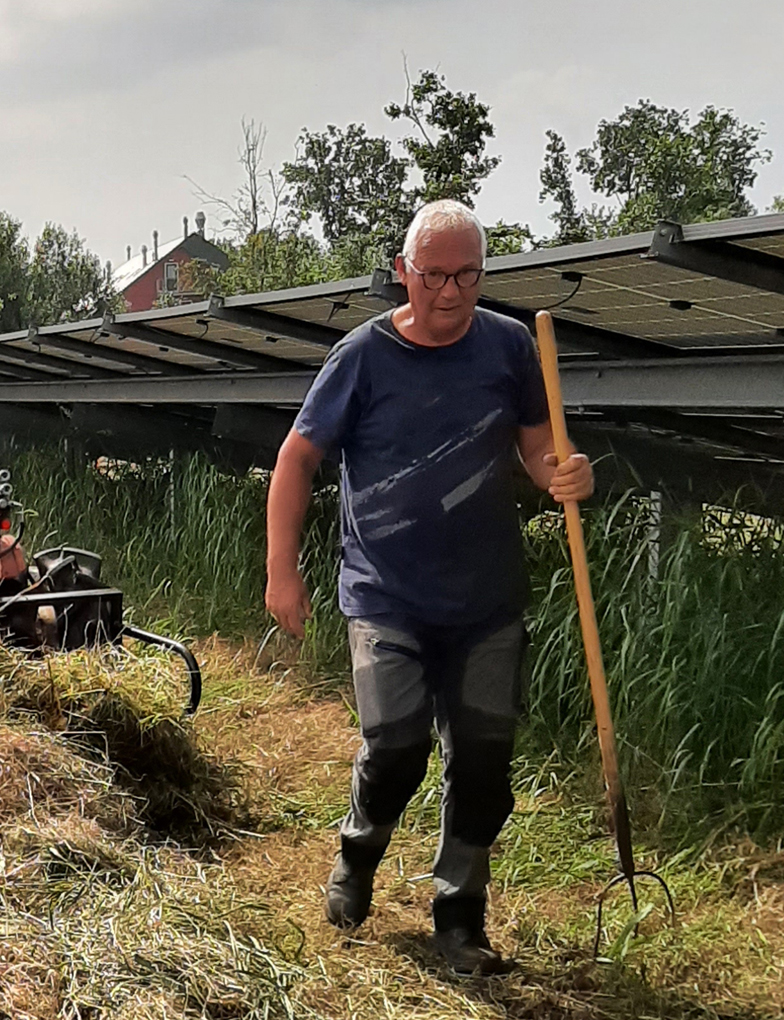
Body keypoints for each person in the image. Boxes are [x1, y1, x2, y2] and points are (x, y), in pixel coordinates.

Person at [264, 200, 594, 976]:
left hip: (486, 598)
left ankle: (460, 914)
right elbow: (295, 461)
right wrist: (284, 570)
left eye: (468, 274)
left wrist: (566, 473)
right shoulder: (362, 358)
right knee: (398, 744)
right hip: (386, 592)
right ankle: (358, 852)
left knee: (483, 761)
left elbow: (544, 452)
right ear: (404, 272)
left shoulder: (512, 348)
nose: (450, 292)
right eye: (435, 275)